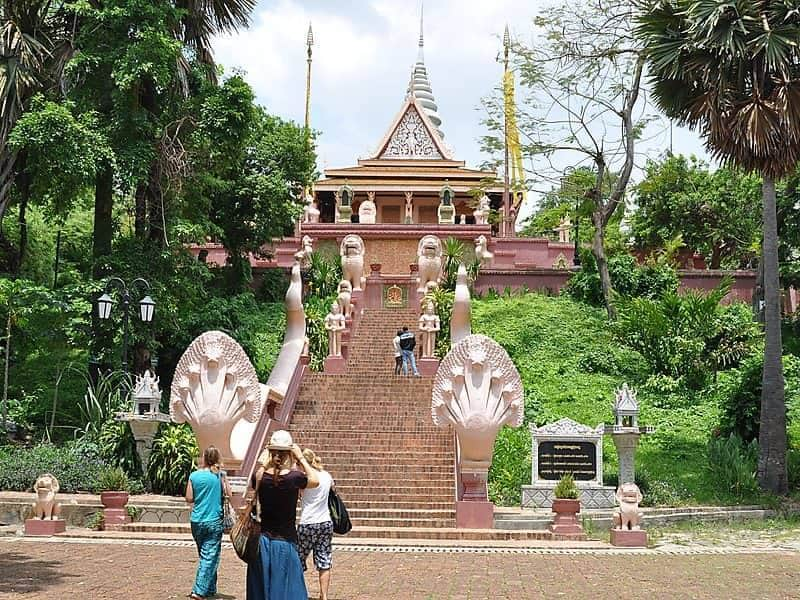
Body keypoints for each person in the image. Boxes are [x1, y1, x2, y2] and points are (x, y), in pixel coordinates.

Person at [245, 430, 320, 600]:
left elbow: (255, 478)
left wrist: (264, 461)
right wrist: (300, 458)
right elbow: (315, 480)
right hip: (285, 542)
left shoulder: (261, 477)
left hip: (262, 542)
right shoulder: (294, 478)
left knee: (262, 591)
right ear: (289, 453)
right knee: (287, 591)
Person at [185, 446, 231, 600]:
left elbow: (189, 498)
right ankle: (198, 590)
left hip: (197, 520)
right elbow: (229, 494)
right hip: (213, 520)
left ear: (203, 458)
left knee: (206, 554)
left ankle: (210, 588)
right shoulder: (219, 475)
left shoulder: (194, 475)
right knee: (209, 556)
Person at [297, 449, 334, 600]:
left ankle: (298, 591)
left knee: (298, 559)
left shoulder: (304, 478)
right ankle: (324, 595)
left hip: (308, 522)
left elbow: (299, 495)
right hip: (325, 521)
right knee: (324, 559)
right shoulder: (326, 475)